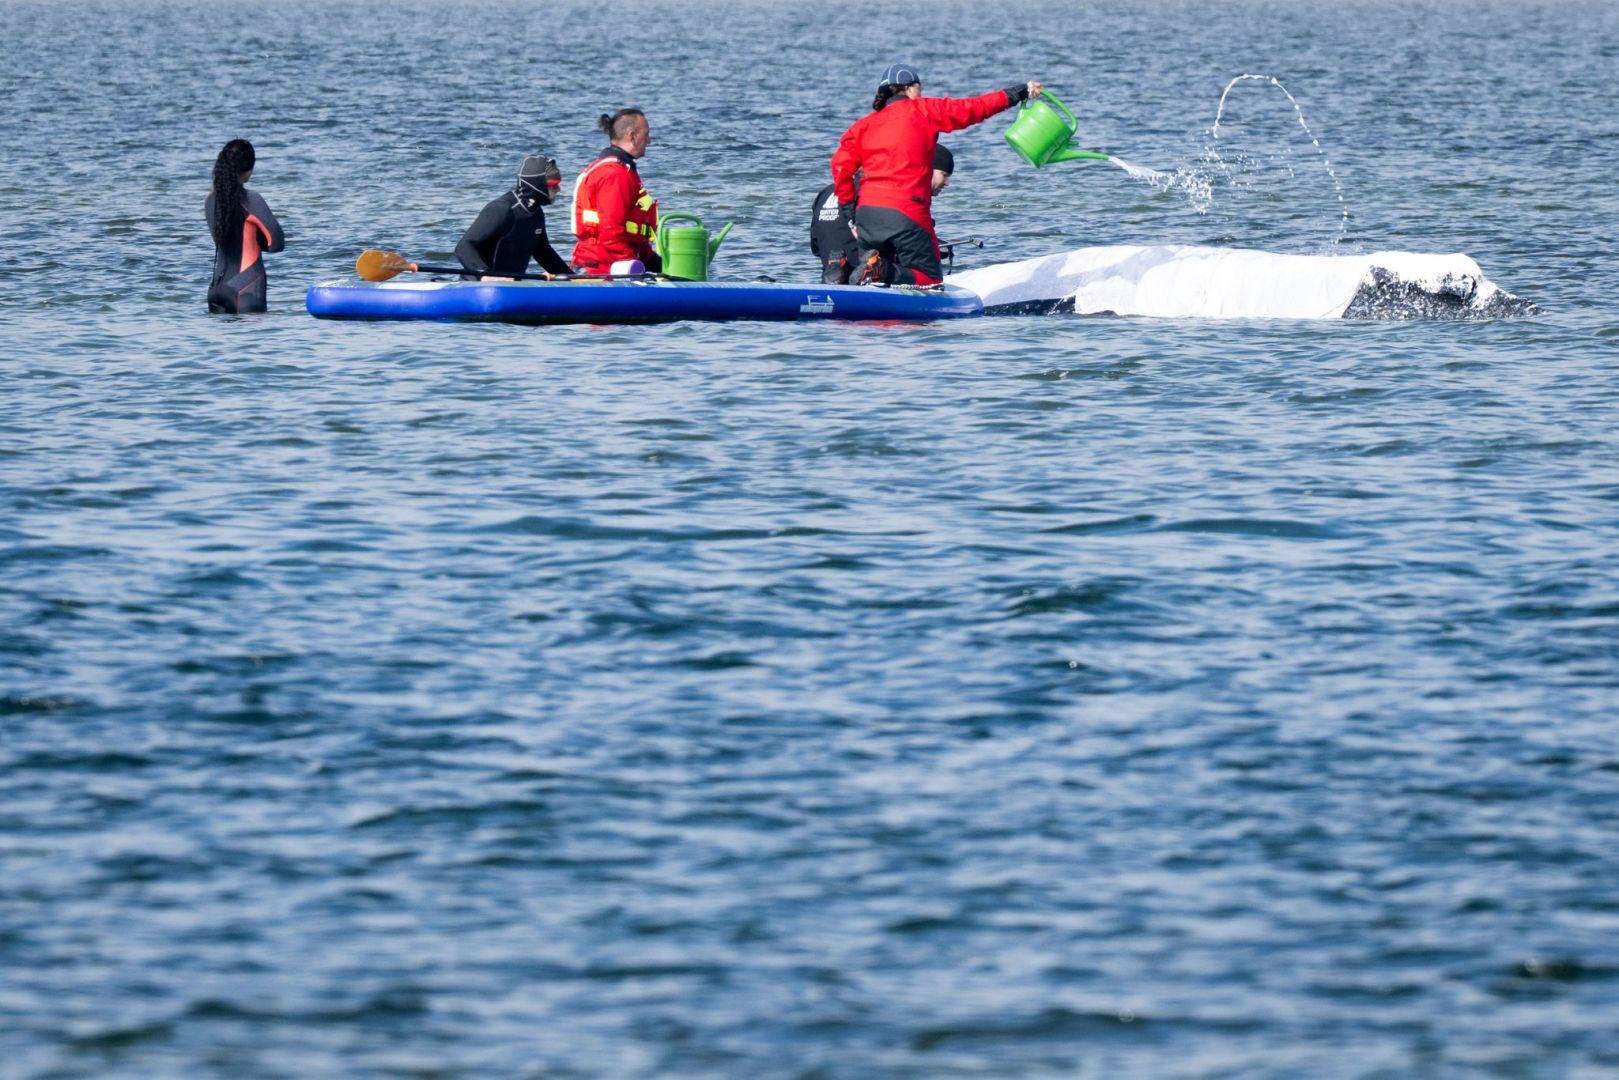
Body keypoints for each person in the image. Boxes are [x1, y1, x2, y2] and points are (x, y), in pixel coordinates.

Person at [831, 64, 1041, 286]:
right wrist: (1020, 92)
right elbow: (974, 108)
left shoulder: (861, 126)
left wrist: (849, 210)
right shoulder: (923, 110)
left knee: (873, 278)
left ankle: (852, 271)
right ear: (910, 88)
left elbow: (840, 167)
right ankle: (881, 271)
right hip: (906, 213)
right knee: (928, 279)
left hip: (867, 217)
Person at [813, 144, 955, 284]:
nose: (947, 183)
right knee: (928, 277)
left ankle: (842, 266)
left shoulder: (825, 193)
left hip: (833, 272)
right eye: (944, 175)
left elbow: (816, 247)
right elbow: (897, 234)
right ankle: (879, 270)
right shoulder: (887, 192)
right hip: (870, 275)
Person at [570, 109, 661, 275]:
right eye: (646, 134)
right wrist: (633, 264)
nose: (649, 141)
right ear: (632, 136)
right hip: (601, 269)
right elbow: (611, 232)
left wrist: (652, 261)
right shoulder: (614, 174)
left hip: (612, 264)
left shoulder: (621, 170)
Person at [456, 154, 570, 279]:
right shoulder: (503, 209)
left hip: (510, 287)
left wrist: (574, 279)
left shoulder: (536, 213)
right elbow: (464, 246)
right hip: (480, 287)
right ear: (537, 184)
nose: (558, 189)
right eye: (554, 185)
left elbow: (543, 253)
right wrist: (485, 275)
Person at [205, 139, 284, 313]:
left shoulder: (211, 200)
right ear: (248, 169)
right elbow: (277, 243)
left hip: (216, 289)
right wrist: (258, 240)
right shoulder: (251, 199)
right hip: (245, 287)